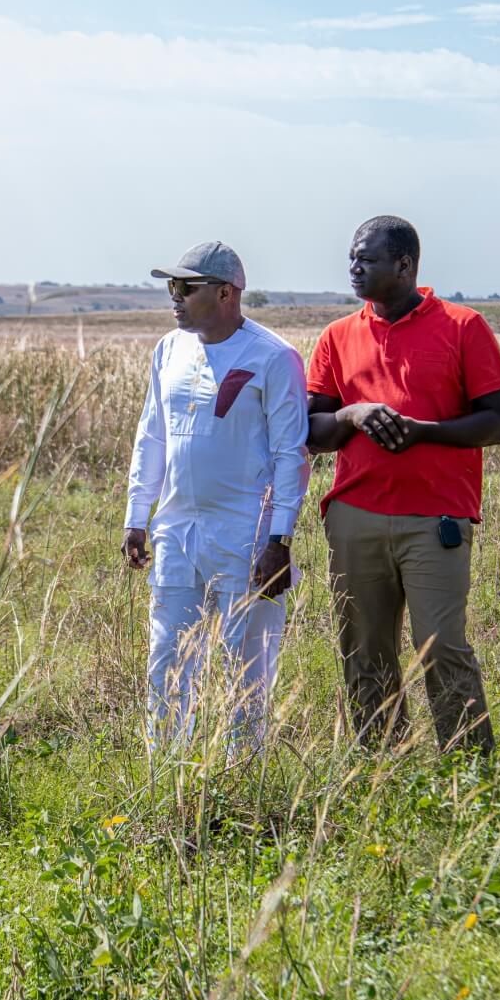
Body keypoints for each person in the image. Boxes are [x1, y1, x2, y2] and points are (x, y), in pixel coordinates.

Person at [306, 216, 500, 755]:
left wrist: (423, 433)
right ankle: (380, 767)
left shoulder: (463, 326)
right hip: (355, 515)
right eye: (352, 257)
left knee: (441, 647)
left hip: (436, 517)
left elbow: (497, 423)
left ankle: (472, 774)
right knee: (364, 649)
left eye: (366, 259)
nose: (354, 268)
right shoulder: (337, 337)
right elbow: (312, 432)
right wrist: (351, 414)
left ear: (404, 265)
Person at [123, 240, 309, 747]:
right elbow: (152, 435)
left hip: (245, 532)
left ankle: (242, 781)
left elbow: (292, 454)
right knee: (166, 659)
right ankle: (166, 773)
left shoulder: (273, 357)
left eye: (186, 287)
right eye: (171, 287)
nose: (175, 297)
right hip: (178, 529)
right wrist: (137, 517)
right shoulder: (170, 349)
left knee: (246, 668)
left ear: (227, 293)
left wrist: (280, 539)